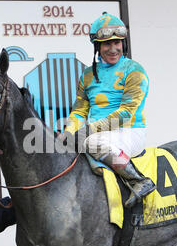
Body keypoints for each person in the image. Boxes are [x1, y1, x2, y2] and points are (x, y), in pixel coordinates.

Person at [60, 12, 155, 208]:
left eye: (117, 43)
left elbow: (126, 113)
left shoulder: (134, 70)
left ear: (123, 44)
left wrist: (88, 130)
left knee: (92, 141)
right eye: (106, 44)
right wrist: (68, 133)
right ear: (98, 47)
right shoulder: (87, 75)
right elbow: (79, 111)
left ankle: (139, 180)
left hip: (129, 131)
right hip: (97, 133)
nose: (113, 49)